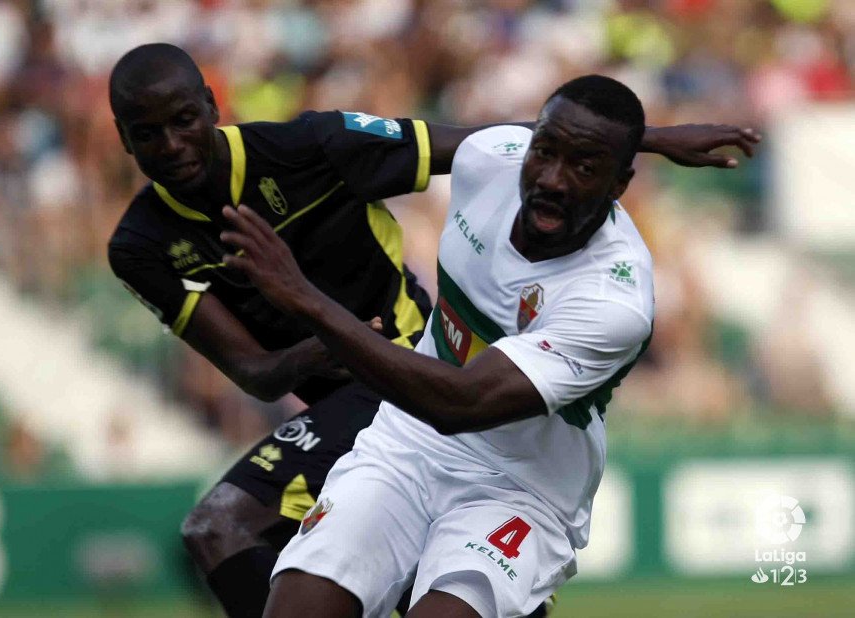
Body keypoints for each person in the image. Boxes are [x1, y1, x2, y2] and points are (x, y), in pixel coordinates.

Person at [107, 43, 759, 617]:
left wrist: (308, 305)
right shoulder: (492, 161)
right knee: (252, 556)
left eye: (182, 120)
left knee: (222, 526)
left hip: (499, 464)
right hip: (403, 433)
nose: (553, 178)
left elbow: (461, 403)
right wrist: (651, 134)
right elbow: (522, 135)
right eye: (147, 132)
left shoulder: (613, 300)